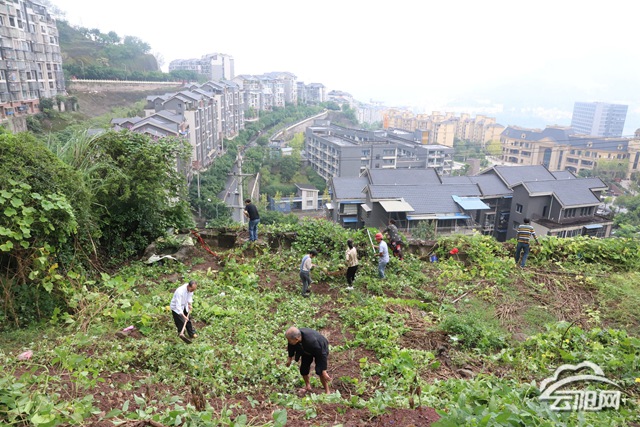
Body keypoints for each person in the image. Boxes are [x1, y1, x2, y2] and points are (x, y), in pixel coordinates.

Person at [285, 326, 332, 394]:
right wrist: (289, 358)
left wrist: (324, 370)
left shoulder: (312, 342)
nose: (288, 342)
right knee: (303, 369)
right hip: (306, 350)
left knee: (320, 371)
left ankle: (327, 391)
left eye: (289, 340)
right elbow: (290, 346)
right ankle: (308, 386)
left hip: (320, 350)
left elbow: (322, 354)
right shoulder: (295, 337)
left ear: (296, 339)